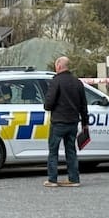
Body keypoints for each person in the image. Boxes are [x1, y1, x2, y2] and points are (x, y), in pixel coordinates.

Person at [43, 56, 89, 187]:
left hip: (58, 122)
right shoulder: (77, 82)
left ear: (58, 66)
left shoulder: (56, 81)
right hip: (73, 122)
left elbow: (48, 104)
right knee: (71, 150)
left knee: (53, 151)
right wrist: (85, 123)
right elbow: (83, 105)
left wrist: (48, 105)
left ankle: (52, 179)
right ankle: (74, 179)